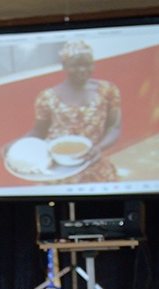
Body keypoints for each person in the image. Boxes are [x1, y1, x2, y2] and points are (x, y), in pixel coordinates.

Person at [17, 39, 122, 184]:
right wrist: (18, 146)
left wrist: (99, 148)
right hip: (59, 170)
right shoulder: (47, 97)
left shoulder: (108, 90)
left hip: (94, 165)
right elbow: (39, 131)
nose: (82, 69)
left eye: (87, 64)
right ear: (64, 66)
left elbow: (114, 127)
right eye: (75, 65)